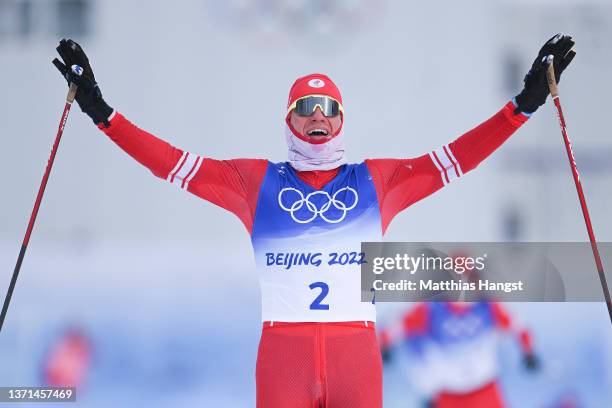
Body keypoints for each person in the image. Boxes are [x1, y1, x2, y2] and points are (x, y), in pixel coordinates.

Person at [52, 34, 574, 407]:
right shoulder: (251, 182)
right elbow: (170, 163)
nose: (317, 115)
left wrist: (523, 105)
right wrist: (101, 111)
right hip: (285, 358)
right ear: (289, 120)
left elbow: (457, 158)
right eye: (305, 106)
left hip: (356, 357)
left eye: (328, 106)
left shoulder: (379, 181)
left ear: (342, 119)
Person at [380, 302, 540, 408]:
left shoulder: (487, 306)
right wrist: (385, 346)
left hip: (485, 388)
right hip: (448, 393)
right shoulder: (431, 309)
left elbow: (518, 325)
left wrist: (529, 352)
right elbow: (397, 326)